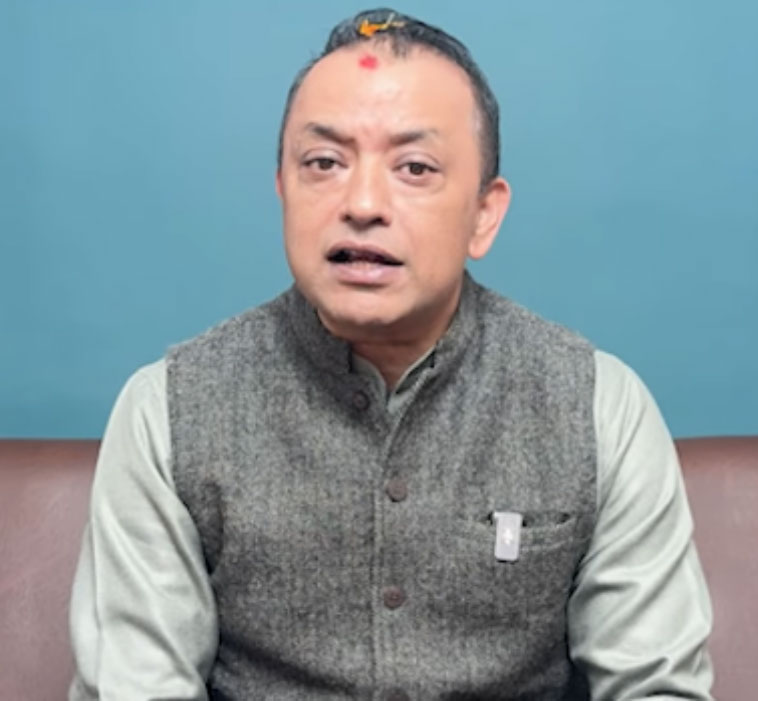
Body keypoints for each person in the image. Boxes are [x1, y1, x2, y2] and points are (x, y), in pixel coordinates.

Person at [68, 8, 714, 700]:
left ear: (484, 214)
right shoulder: (167, 410)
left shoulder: (598, 406)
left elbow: (659, 687)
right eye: (324, 163)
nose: (363, 203)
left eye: (414, 167)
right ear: (282, 187)